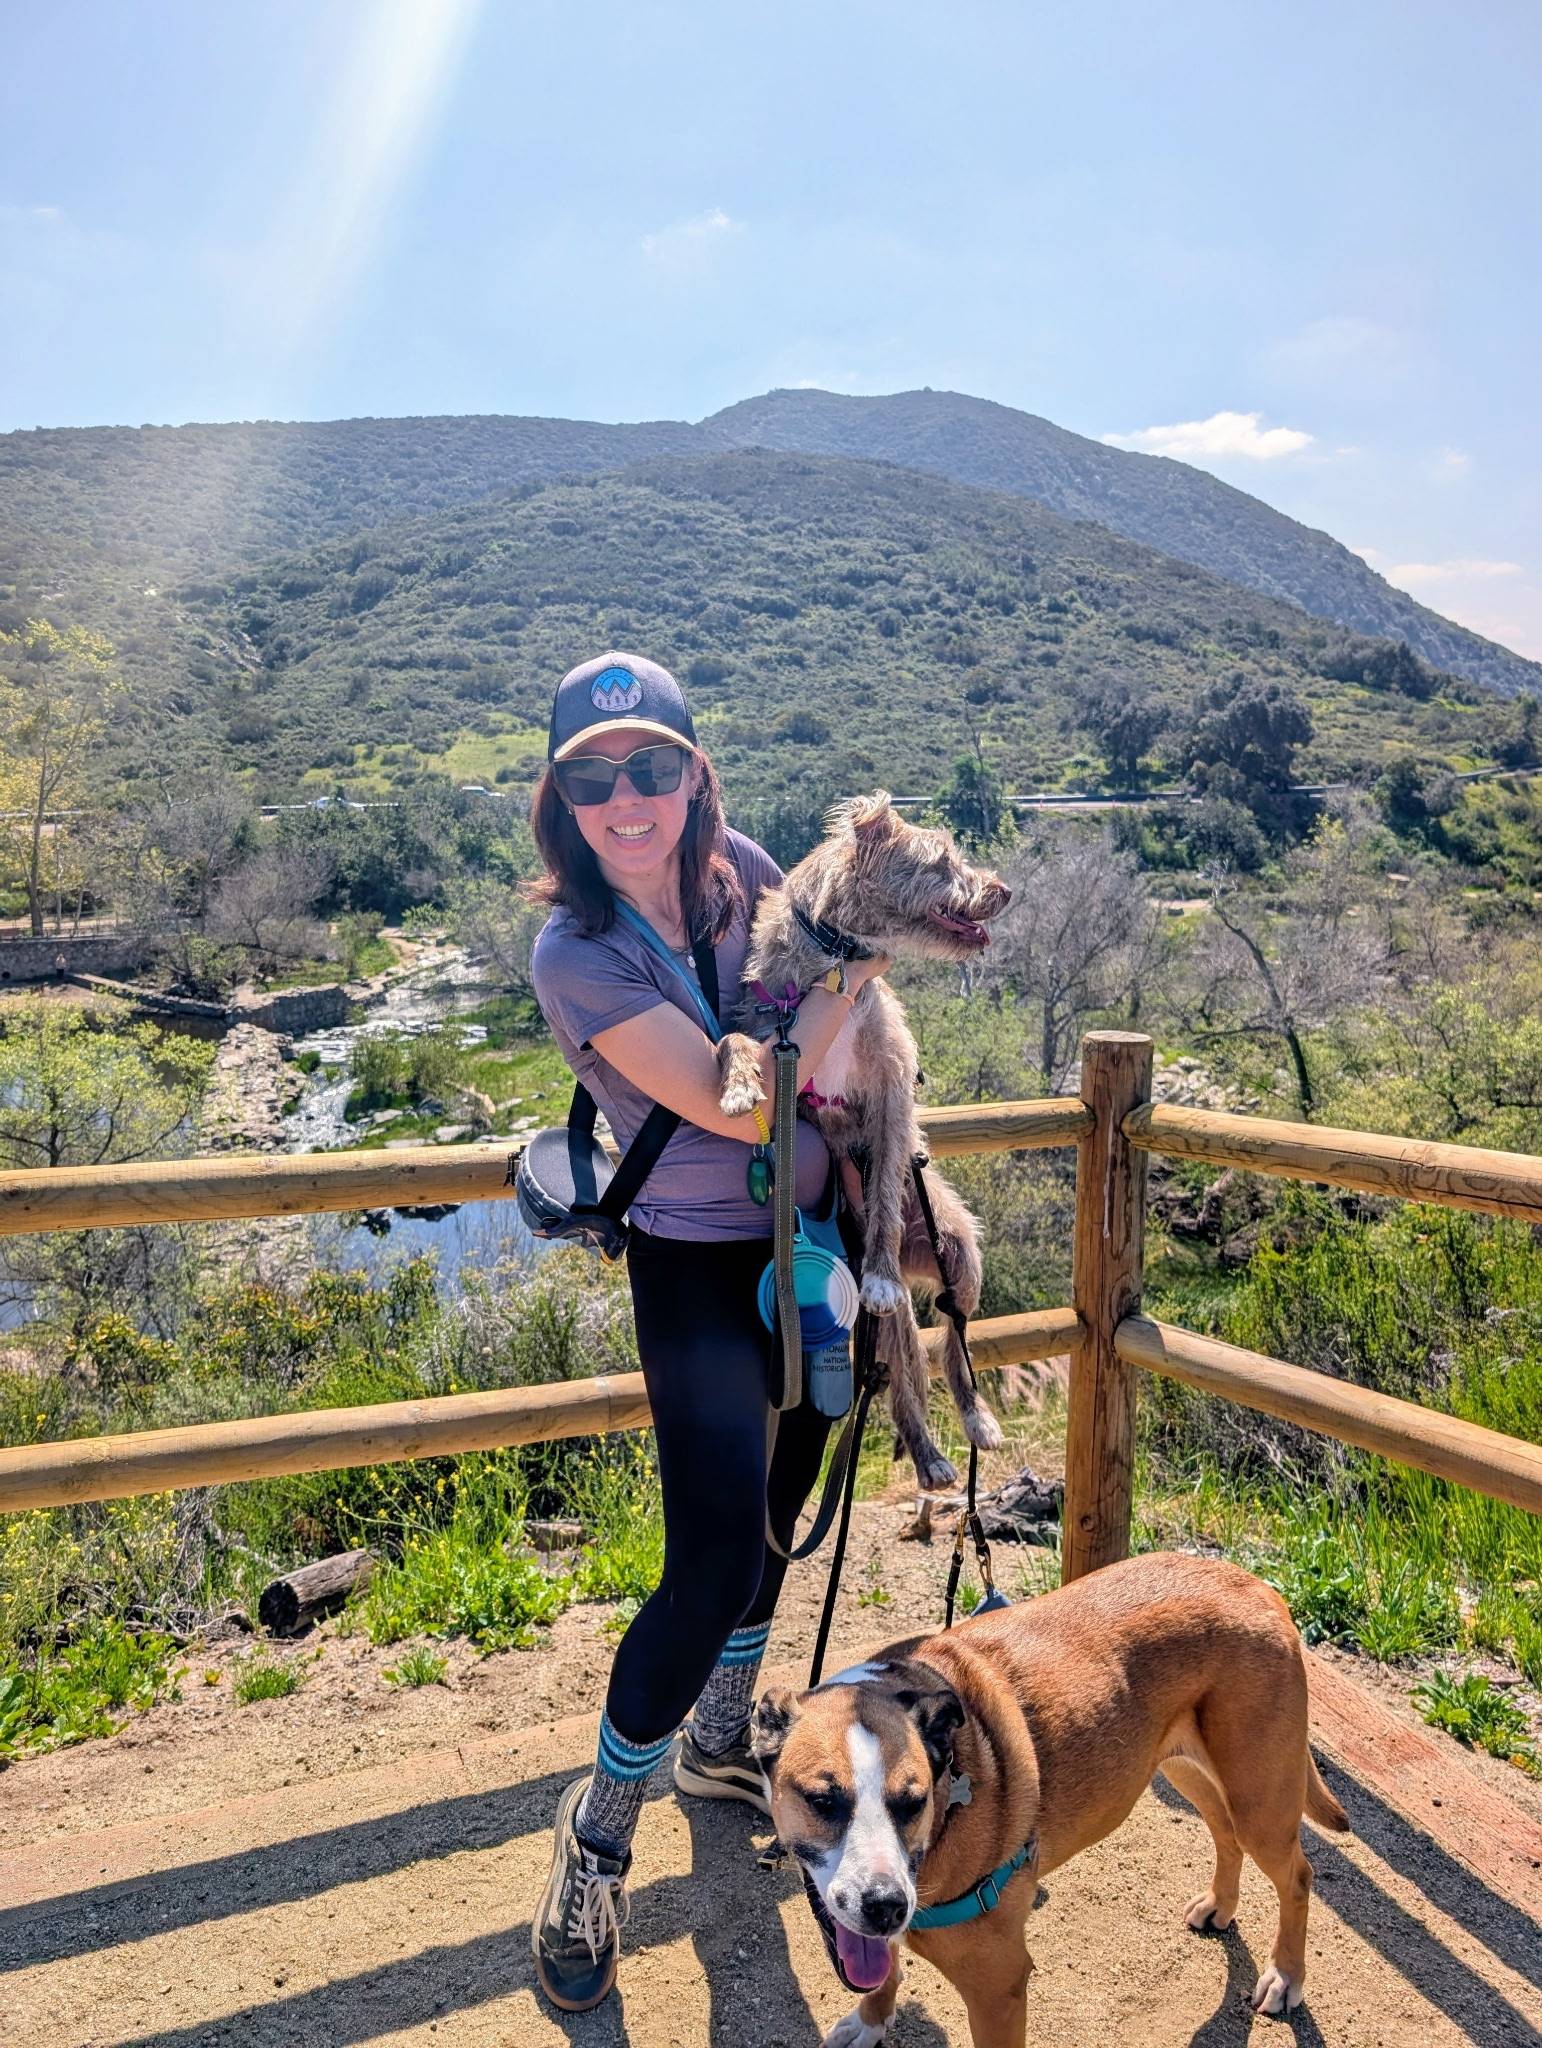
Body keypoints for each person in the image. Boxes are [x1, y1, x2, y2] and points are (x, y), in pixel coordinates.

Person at [526, 652, 888, 2012]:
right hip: (691, 1265)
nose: (629, 798)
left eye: (653, 768)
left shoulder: (738, 864)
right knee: (712, 1553)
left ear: (694, 774)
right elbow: (745, 1102)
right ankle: (598, 1832)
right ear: (562, 798)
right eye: (594, 776)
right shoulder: (573, 950)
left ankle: (721, 1737)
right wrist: (857, 968)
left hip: (812, 1249)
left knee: (786, 1506)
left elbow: (808, 1040)